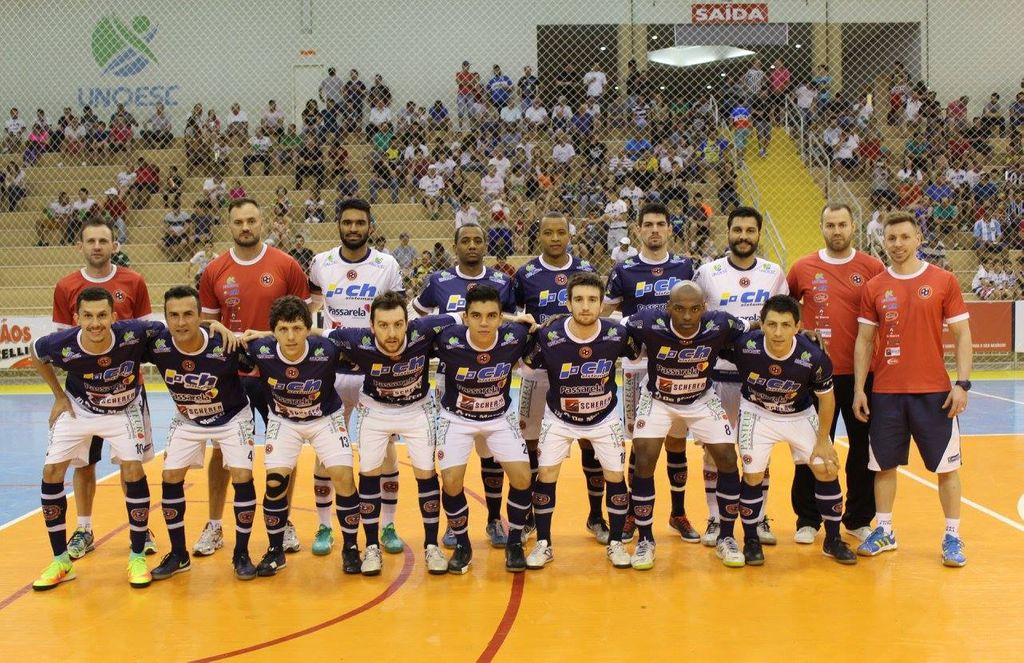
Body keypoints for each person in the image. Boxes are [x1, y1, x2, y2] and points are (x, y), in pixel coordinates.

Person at [853, 211, 972, 567]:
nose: (898, 244)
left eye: (905, 237)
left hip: (935, 392)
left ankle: (952, 535)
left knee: (946, 469)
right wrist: (860, 389)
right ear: (883, 242)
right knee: (883, 466)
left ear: (918, 238)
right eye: (892, 239)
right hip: (886, 392)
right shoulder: (874, 287)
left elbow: (962, 334)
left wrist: (962, 383)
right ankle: (885, 530)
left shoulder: (944, 280)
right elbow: (863, 341)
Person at [197, 197, 311, 557]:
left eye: (251, 220)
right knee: (222, 451)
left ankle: (284, 521)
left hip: (277, 372)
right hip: (231, 371)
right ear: (229, 226)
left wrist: (266, 337)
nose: (245, 227)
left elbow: (302, 322)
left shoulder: (286, 265)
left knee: (284, 449)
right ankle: (215, 525)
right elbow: (206, 325)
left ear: (262, 223)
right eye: (238, 222)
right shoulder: (215, 270)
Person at [30, 288, 164, 590]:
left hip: (124, 408)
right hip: (79, 407)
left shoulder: (135, 333)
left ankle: (137, 555)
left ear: (114, 316)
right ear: (76, 318)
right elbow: (35, 353)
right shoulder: (61, 344)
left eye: (102, 315)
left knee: (132, 469)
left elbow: (171, 334)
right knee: (52, 471)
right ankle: (61, 560)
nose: (95, 323)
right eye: (88, 316)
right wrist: (58, 396)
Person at [325, 292, 460, 575]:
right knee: (369, 474)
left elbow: (467, 316)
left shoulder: (424, 331)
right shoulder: (353, 338)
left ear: (408, 323)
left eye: (398, 324)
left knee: (426, 473)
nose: (392, 332)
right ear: (371, 326)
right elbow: (312, 333)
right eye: (384, 325)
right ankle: (372, 546)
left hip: (416, 410)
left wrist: (518, 320)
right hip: (374, 411)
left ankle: (430, 546)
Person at [624, 281, 751, 569]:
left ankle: (726, 537)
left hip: (701, 399)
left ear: (704, 309)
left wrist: (802, 337)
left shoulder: (721, 323)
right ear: (668, 307)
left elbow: (755, 330)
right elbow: (612, 327)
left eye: (694, 310)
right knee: (644, 457)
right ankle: (645, 539)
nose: (686, 317)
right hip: (658, 398)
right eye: (679, 309)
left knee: (728, 458)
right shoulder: (648, 321)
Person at [724, 295, 857, 566]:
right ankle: (751, 539)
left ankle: (832, 539)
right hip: (757, 413)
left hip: (799, 414)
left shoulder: (813, 356)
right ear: (761, 324)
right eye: (771, 324)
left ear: (798, 326)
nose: (778, 332)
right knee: (752, 474)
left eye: (786, 325)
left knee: (825, 466)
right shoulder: (744, 346)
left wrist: (823, 442)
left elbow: (828, 399)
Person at [52, 218, 157, 561]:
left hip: (127, 394)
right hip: (81, 396)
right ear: (79, 247)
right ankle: (84, 528)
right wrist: (61, 396)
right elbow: (59, 345)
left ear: (115, 246)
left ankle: (139, 529)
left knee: (133, 465)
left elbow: (146, 337)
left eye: (103, 241)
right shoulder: (66, 286)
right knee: (83, 465)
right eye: (90, 241)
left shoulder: (134, 281)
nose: (97, 246)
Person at [307, 198, 406, 555]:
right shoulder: (322, 263)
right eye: (347, 222)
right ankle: (323, 528)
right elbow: (313, 306)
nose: (353, 228)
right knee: (326, 449)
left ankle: (388, 524)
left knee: (385, 450)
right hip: (332, 370)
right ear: (339, 225)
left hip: (372, 371)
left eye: (359, 223)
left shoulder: (386, 265)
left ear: (370, 226)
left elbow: (398, 314)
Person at [523, 272, 641, 570]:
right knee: (546, 473)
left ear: (602, 304)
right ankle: (544, 542)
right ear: (568, 302)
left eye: (592, 300)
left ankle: (615, 542)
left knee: (616, 476)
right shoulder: (549, 335)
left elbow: (638, 353)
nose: (585, 306)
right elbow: (527, 363)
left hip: (603, 417)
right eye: (579, 300)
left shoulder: (617, 333)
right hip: (559, 417)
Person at [139, 287, 259, 580]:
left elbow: (265, 350)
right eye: (174, 316)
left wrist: (220, 328)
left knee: (242, 475)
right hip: (188, 418)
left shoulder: (225, 344)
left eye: (189, 315)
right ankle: (179, 555)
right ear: (165, 318)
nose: (181, 323)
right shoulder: (158, 344)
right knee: (170, 477)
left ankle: (241, 553)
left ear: (200, 315)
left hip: (232, 417)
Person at [240, 297, 362, 576]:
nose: (291, 336)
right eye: (283, 329)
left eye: (297, 328)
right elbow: (228, 343)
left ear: (308, 329)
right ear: (273, 331)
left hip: (325, 419)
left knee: (344, 477)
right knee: (274, 483)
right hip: (284, 421)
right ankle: (275, 551)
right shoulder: (261, 349)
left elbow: (359, 347)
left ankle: (351, 547)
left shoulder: (327, 350)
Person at [412, 223, 516, 548]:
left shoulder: (502, 281)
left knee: (491, 454)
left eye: (478, 240)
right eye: (465, 240)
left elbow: (511, 323)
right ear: (455, 246)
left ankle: (494, 520)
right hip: (450, 377)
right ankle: (453, 525)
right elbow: (417, 317)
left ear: (486, 245)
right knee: (451, 455)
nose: (472, 245)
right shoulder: (439, 281)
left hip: (491, 378)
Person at [786, 204, 885, 545]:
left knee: (863, 449)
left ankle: (858, 518)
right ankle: (808, 518)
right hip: (813, 376)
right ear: (822, 227)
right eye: (830, 224)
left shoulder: (872, 267)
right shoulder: (802, 268)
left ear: (853, 227)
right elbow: (786, 311)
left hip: (861, 376)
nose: (837, 230)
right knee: (809, 447)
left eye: (842, 224)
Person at [602, 202, 697, 543]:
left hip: (677, 364)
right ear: (638, 230)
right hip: (636, 366)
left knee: (676, 441)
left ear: (671, 229)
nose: (655, 229)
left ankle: (678, 513)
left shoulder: (686, 267)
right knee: (640, 444)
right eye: (649, 224)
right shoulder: (623, 270)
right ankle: (632, 514)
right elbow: (606, 315)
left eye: (661, 224)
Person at [694, 206, 788, 546]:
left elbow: (785, 318)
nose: (743, 236)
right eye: (738, 230)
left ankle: (758, 518)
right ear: (728, 231)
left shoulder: (774, 273)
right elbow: (695, 318)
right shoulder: (708, 273)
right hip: (718, 375)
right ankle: (716, 519)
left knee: (757, 452)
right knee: (715, 451)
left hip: (758, 376)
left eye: (750, 230)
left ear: (759, 234)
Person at [432, 285, 534, 572]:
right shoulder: (448, 339)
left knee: (523, 478)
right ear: (465, 317)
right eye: (476, 316)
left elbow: (538, 331)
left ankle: (514, 542)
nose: (484, 323)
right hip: (456, 417)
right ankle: (463, 545)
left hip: (499, 417)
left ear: (502, 318)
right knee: (451, 481)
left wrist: (523, 321)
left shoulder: (515, 336)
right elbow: (420, 327)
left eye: (492, 316)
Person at [512, 212, 598, 540]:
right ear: (540, 237)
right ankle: (532, 515)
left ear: (569, 234)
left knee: (592, 442)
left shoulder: (585, 270)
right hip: (538, 370)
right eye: (548, 232)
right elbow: (514, 315)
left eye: (561, 232)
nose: (555, 238)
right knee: (532, 444)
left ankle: (595, 516)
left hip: (579, 372)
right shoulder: (527, 274)